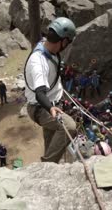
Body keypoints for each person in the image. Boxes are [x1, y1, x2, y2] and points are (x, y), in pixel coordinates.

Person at [24, 17, 77, 163]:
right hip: (42, 108)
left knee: (51, 142)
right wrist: (50, 108)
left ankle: (49, 161)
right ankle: (47, 165)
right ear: (64, 41)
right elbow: (40, 93)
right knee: (69, 127)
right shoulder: (38, 62)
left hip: (52, 103)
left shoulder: (46, 46)